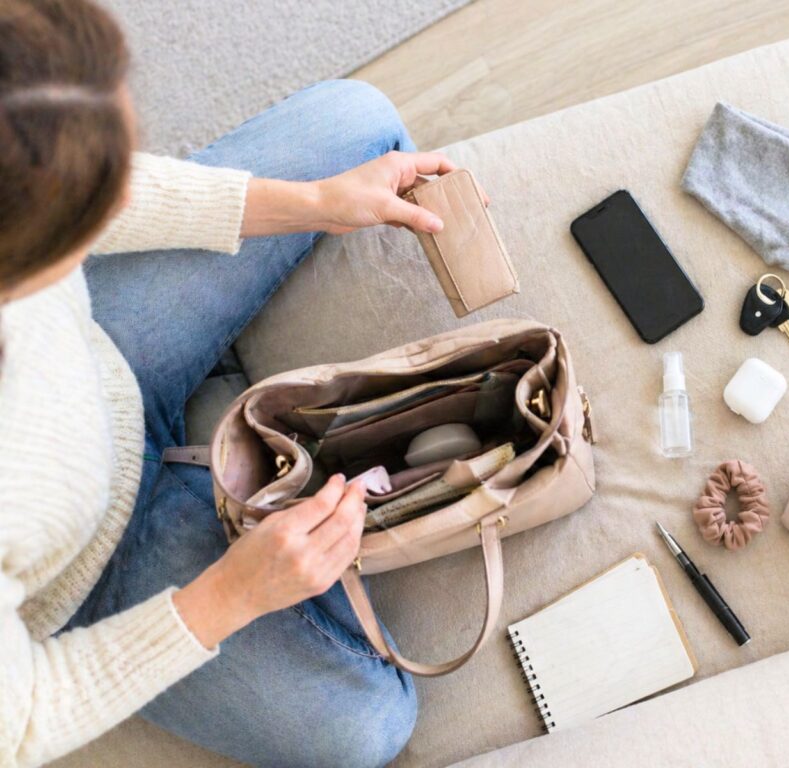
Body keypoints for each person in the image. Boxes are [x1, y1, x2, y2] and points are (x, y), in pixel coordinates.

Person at [0, 1, 469, 765]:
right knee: (365, 731)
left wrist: (316, 203)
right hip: (95, 577)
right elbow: (15, 723)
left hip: (107, 355)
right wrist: (233, 596)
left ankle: (210, 404)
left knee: (360, 120)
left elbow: (99, 187)